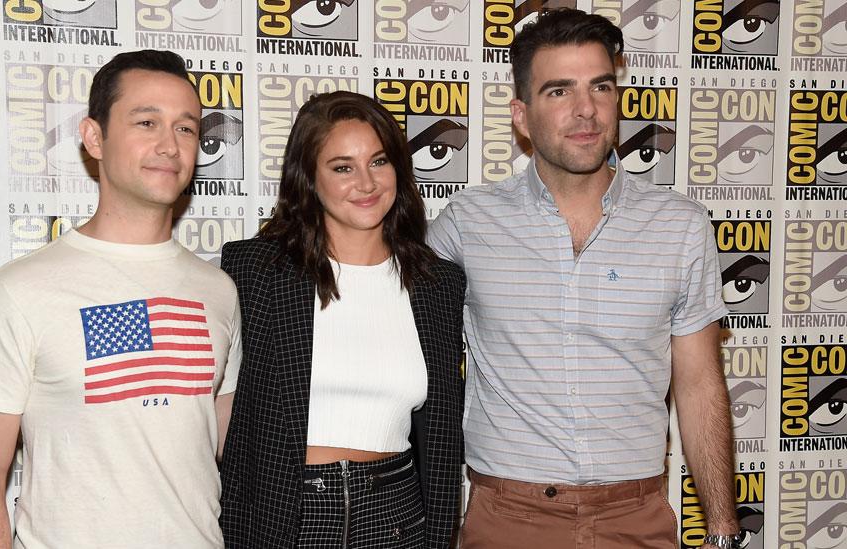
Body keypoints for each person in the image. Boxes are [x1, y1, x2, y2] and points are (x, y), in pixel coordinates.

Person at [427, 9, 740, 549]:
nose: (585, 110)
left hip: (637, 518)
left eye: (601, 86)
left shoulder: (680, 226)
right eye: (558, 91)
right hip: (507, 520)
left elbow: (699, 384)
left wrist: (723, 529)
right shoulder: (466, 224)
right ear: (521, 116)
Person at [0, 50, 241, 549]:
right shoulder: (22, 288)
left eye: (186, 128)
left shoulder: (218, 289)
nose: (169, 145)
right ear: (94, 137)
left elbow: (218, 446)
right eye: (146, 122)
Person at [219, 90, 466, 548]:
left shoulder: (438, 284)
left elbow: (442, 439)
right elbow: (226, 418)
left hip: (397, 516)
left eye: (379, 161)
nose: (366, 183)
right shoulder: (255, 271)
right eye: (342, 167)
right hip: (283, 517)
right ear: (309, 178)